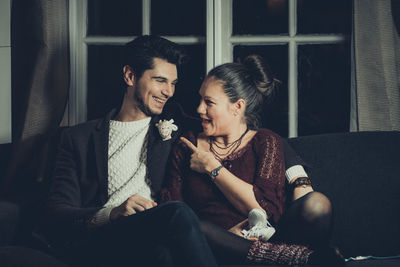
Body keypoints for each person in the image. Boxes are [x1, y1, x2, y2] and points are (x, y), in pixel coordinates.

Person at [43, 35, 218, 267]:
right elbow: (57, 213)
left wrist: (283, 162)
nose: (169, 92)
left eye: (173, 83)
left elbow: (231, 129)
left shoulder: (176, 124)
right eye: (160, 81)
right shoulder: (78, 139)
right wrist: (113, 213)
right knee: (177, 213)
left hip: (156, 235)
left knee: (162, 254)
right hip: (103, 239)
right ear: (130, 76)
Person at [161, 55, 345, 266]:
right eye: (200, 99)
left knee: (317, 203)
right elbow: (174, 212)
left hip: (265, 238)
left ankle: (281, 257)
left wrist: (213, 167)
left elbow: (266, 210)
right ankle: (299, 259)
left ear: (237, 107)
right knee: (194, 227)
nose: (199, 109)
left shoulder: (266, 141)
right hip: (211, 246)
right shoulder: (187, 145)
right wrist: (225, 235)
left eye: (209, 102)